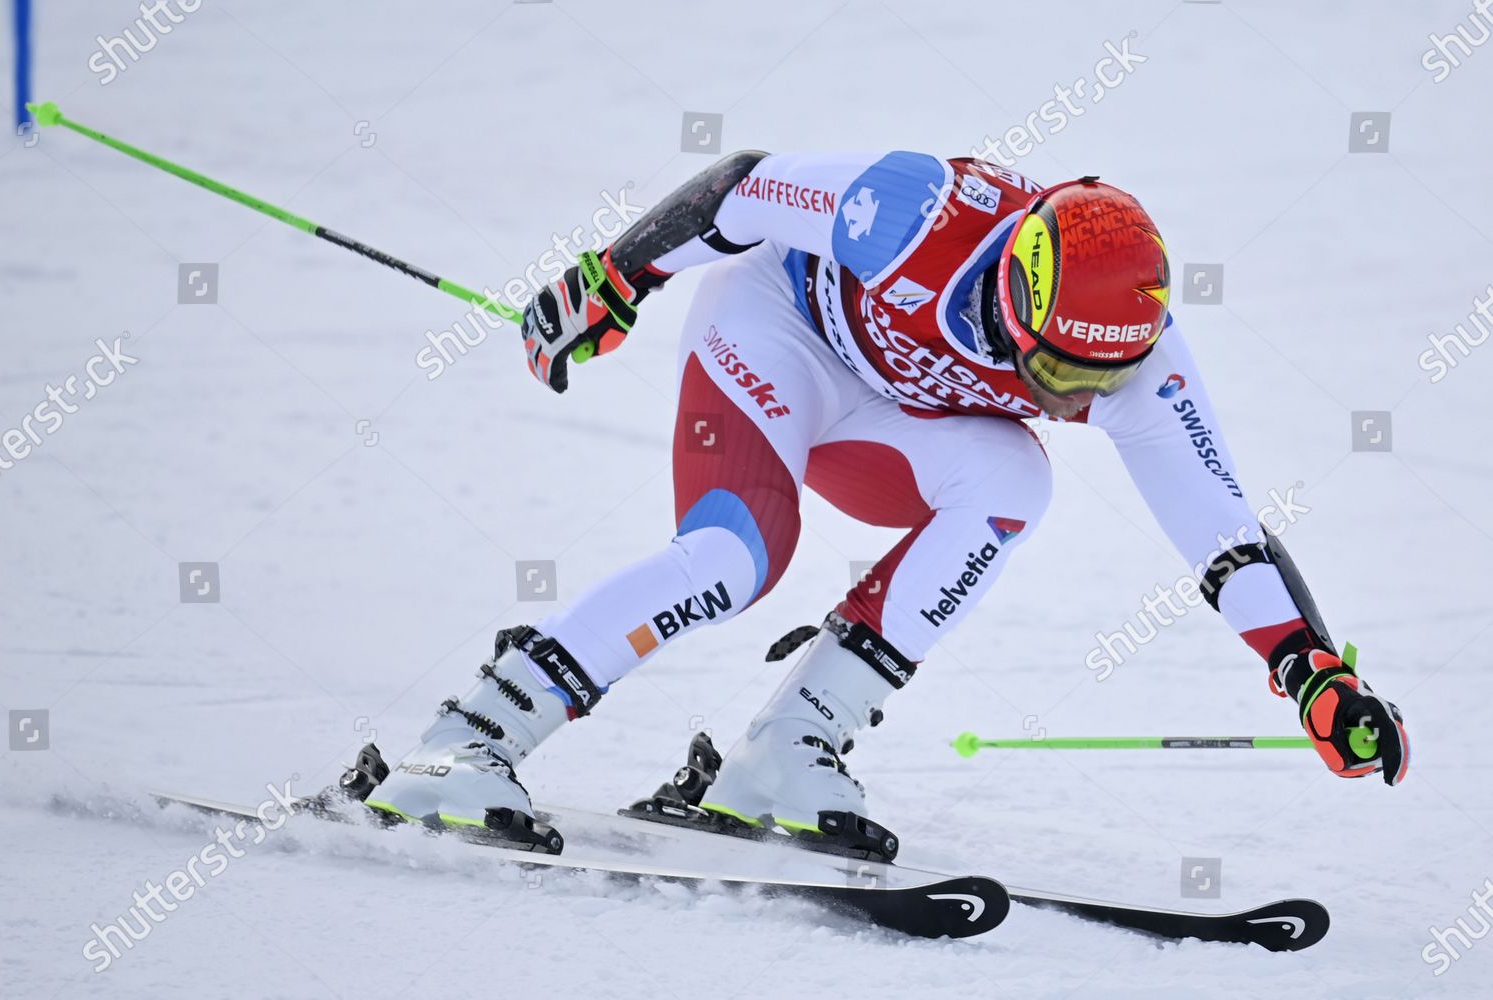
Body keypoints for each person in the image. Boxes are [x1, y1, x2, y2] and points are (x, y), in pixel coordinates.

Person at [353, 151, 1410, 850]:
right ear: (1016, 295)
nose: (1076, 398)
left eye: (1099, 383)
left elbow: (1222, 529)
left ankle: (786, 751)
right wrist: (616, 278)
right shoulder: (915, 210)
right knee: (733, 560)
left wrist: (1306, 668)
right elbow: (736, 190)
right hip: (775, 333)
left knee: (1014, 478)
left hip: (886, 416)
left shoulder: (1134, 359)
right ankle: (469, 739)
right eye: (1056, 373)